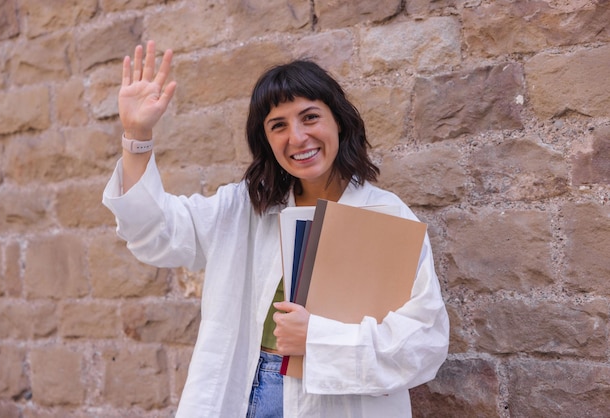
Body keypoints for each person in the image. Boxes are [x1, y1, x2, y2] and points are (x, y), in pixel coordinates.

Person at [102, 40, 449, 418]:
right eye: (278, 125)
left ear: (339, 121)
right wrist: (137, 137)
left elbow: (424, 339)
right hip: (243, 391)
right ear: (265, 140)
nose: (297, 138)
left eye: (310, 117)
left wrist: (316, 339)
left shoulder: (385, 215)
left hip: (334, 402)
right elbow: (157, 233)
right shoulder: (244, 207)